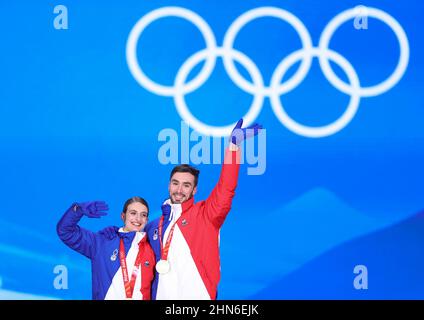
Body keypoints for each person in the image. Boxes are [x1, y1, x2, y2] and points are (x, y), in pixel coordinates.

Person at [145, 118, 262, 300]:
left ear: (195, 190)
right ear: (169, 185)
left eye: (186, 185)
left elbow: (226, 188)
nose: (179, 189)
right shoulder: (153, 226)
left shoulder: (206, 215)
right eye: (175, 183)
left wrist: (233, 148)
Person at [56, 196, 155, 300]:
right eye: (133, 213)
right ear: (123, 216)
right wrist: (77, 211)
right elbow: (65, 231)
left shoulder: (152, 248)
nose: (138, 219)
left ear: (147, 220)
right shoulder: (102, 242)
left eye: (143, 215)